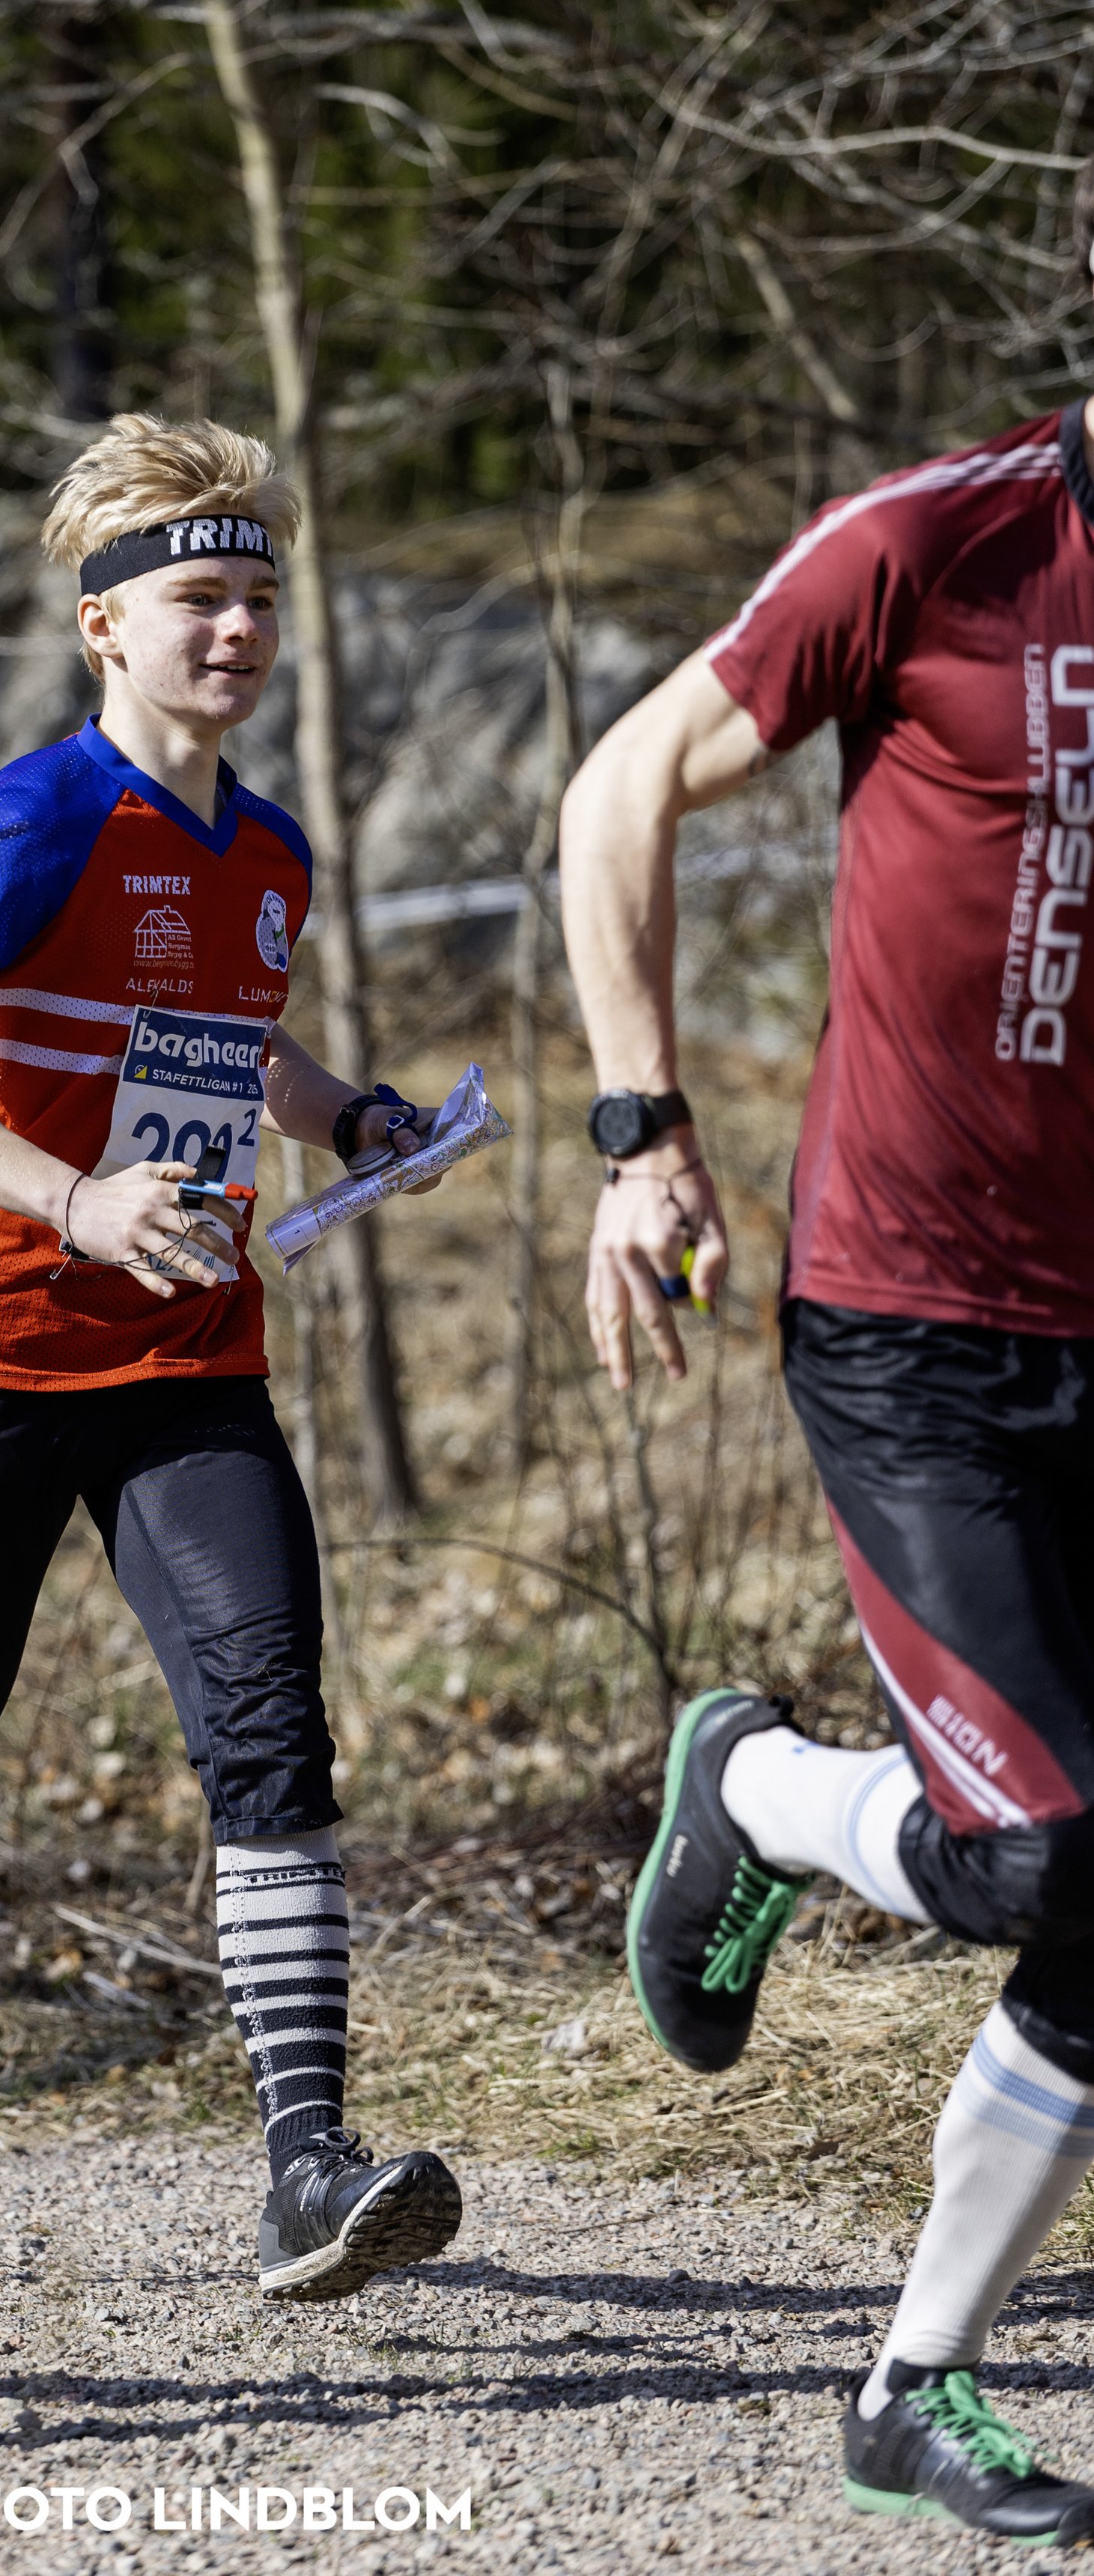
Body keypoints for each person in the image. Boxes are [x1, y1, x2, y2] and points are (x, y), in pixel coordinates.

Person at [0, 413, 463, 2301]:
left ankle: (307, 2160)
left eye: (256, 601)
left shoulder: (272, 848)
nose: (234, 633)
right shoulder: (41, 810)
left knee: (265, 1719)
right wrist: (75, 1205)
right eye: (195, 601)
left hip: (194, 1360)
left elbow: (226, 1047)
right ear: (101, 629)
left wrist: (346, 1118)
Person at [559, 171, 1094, 2545]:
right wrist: (635, 1132)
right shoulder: (937, 539)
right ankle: (763, 1793)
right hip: (914, 1321)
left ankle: (906, 2391)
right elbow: (610, 792)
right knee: (1047, 1849)